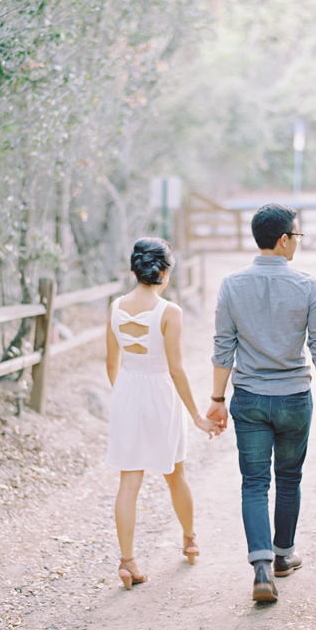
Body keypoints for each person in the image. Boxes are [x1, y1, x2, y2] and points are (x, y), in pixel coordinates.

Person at [206, 204, 316, 603]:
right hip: (294, 400)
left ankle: (262, 568)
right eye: (296, 236)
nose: (297, 243)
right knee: (288, 478)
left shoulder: (231, 286)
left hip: (248, 399)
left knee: (254, 482)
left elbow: (222, 350)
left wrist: (217, 398)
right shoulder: (306, 285)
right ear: (283, 239)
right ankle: (284, 555)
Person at [105, 237, 222, 590]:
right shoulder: (170, 312)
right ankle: (189, 538)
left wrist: (126, 395)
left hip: (127, 390)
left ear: (135, 268)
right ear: (165, 272)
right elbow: (176, 370)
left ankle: (127, 562)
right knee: (175, 474)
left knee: (129, 481)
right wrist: (198, 417)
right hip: (160, 395)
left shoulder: (114, 306)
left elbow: (111, 363)